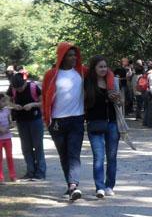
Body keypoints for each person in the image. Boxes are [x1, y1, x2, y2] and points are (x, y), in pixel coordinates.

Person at [42, 42, 89, 201]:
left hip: (77, 119)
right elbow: (45, 98)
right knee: (64, 155)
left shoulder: (82, 72)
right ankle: (70, 185)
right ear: (62, 57)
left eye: (75, 55)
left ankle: (73, 186)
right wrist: (46, 119)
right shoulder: (51, 75)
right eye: (70, 55)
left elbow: (104, 72)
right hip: (57, 122)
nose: (74, 58)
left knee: (73, 154)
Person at [84, 55, 123, 198]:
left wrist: (116, 99)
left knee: (112, 157)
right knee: (98, 157)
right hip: (95, 123)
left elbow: (121, 104)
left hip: (112, 123)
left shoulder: (113, 82)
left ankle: (109, 186)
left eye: (105, 66)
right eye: (100, 67)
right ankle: (99, 187)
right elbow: (83, 103)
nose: (103, 69)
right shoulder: (87, 83)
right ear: (94, 68)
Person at [6, 72, 46, 179]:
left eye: (21, 88)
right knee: (26, 148)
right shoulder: (12, 89)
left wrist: (32, 105)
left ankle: (40, 172)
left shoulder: (33, 87)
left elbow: (43, 102)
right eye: (17, 89)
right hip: (21, 121)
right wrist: (14, 106)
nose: (19, 90)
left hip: (35, 120)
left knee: (38, 146)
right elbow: (7, 102)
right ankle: (30, 171)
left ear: (24, 83)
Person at [0, 93, 17, 183]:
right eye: (2, 101)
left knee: (10, 156)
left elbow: (10, 122)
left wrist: (11, 125)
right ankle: (1, 177)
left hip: (7, 137)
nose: (5, 103)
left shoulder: (7, 110)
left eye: (5, 101)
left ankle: (12, 175)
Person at [141, 60, 152, 128]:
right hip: (149, 92)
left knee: (146, 108)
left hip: (144, 92)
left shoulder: (145, 73)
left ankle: (145, 122)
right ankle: (150, 124)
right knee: (151, 109)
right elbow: (151, 86)